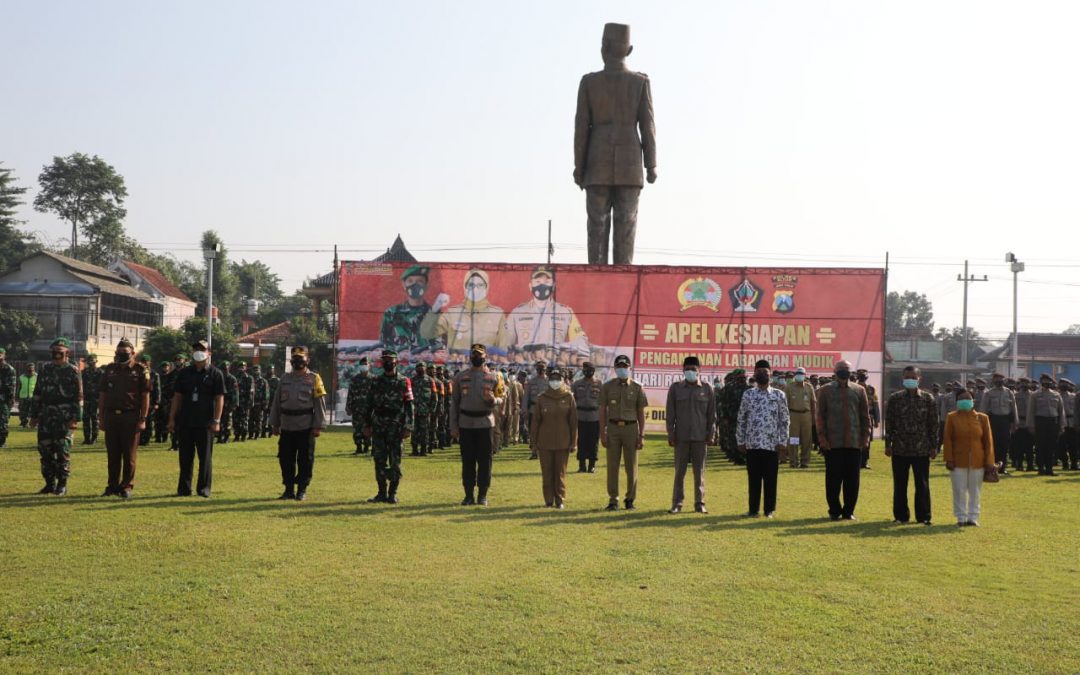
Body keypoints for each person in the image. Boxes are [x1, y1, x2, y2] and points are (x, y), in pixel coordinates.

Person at [574, 22, 657, 265]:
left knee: (597, 225)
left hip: (596, 162)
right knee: (626, 224)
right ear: (629, 50)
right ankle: (623, 278)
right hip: (630, 165)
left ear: (603, 47)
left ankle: (597, 277)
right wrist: (651, 165)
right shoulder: (640, 83)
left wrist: (579, 167)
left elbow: (581, 129)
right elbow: (647, 126)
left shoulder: (589, 83)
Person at [269, 346, 327, 501]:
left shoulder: (314, 378)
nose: (298, 361)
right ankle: (288, 489)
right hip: (287, 426)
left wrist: (318, 425)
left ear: (307, 360)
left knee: (305, 460)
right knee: (285, 459)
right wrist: (275, 423)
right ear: (291, 361)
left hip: (305, 426)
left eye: (301, 358)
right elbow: (276, 403)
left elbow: (319, 404)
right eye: (295, 358)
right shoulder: (284, 378)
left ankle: (302, 489)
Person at [167, 340, 225, 497]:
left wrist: (217, 420)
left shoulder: (215, 373)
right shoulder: (184, 373)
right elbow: (177, 397)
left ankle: (204, 488)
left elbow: (219, 398)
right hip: (186, 420)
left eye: (202, 349)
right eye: (196, 349)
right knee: (185, 457)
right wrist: (172, 418)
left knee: (205, 458)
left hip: (205, 422)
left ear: (209, 353)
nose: (199, 351)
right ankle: (184, 488)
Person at [815, 360, 871, 521]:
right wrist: (822, 439)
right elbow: (820, 417)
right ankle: (834, 510)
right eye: (840, 369)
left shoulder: (859, 390)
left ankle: (848, 511)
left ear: (850, 372)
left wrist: (865, 438)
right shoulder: (825, 391)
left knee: (852, 481)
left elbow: (865, 417)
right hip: (833, 443)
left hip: (854, 442)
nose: (843, 372)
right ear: (835, 371)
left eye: (846, 369)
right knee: (833, 480)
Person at [884, 367, 939, 525]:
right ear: (902, 378)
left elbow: (933, 424)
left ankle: (924, 517)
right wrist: (888, 444)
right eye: (907, 376)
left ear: (919, 378)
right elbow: (890, 423)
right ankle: (901, 516)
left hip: (921, 449)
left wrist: (934, 446)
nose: (910, 379)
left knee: (922, 484)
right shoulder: (895, 398)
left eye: (913, 377)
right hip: (900, 448)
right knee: (900, 484)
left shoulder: (928, 399)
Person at [450, 344, 504, 505]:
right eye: (474, 355)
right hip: (466, 424)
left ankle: (482, 495)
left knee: (485, 461)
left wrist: (494, 401)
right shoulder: (461, 377)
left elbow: (502, 398)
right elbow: (454, 403)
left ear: (485, 357)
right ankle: (468, 495)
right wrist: (453, 426)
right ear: (470, 357)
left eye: (479, 355)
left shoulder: (494, 377)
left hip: (485, 423)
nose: (476, 358)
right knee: (467, 461)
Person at [97, 339, 151, 498]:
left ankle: (126, 486)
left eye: (125, 353)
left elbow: (145, 396)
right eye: (119, 353)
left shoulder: (141, 370)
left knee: (129, 455)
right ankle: (112, 486)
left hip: (131, 416)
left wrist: (143, 418)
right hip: (112, 416)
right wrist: (101, 417)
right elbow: (103, 395)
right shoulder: (109, 369)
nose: (121, 355)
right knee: (112, 454)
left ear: (133, 353)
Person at [29, 338, 83, 495]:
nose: (56, 354)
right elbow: (37, 393)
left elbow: (78, 397)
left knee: (62, 451)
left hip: (64, 418)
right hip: (46, 416)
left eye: (59, 351)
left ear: (67, 352)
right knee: (45, 450)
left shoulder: (73, 371)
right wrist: (34, 415)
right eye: (54, 351)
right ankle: (49, 483)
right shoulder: (45, 369)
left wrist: (74, 419)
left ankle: (62, 484)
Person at [505, 266, 590, 365]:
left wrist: (561, 351)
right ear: (530, 286)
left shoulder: (565, 312)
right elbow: (505, 345)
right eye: (537, 282)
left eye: (546, 282)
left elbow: (581, 343)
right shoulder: (517, 313)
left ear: (553, 286)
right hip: (525, 370)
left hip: (554, 371)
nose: (542, 285)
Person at [736, 359, 789, 517]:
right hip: (752, 444)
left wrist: (782, 441)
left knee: (771, 479)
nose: (762, 374)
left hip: (771, 445)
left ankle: (769, 510)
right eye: (759, 372)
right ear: (754, 374)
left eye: (765, 372)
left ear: (770, 373)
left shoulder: (779, 395)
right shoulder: (748, 394)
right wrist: (740, 440)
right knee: (754, 480)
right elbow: (741, 418)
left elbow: (784, 419)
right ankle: (753, 509)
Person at [360, 349, 414, 503]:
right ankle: (381, 492)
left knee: (395, 461)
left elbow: (410, 405)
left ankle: (392, 493)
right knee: (379, 460)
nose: (387, 363)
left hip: (396, 426)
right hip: (379, 425)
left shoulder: (404, 381)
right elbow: (368, 405)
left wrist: (408, 426)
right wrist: (366, 425)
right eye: (385, 360)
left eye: (390, 360)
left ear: (396, 362)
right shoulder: (376, 381)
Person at [666, 356, 716, 514]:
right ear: (683, 370)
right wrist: (671, 434)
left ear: (699, 370)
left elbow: (712, 415)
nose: (690, 372)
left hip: (700, 437)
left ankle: (699, 503)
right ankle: (677, 504)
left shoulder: (707, 388)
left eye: (693, 369)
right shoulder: (675, 388)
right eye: (687, 369)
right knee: (679, 472)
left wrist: (711, 434)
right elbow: (670, 414)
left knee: (699, 473)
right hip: (681, 437)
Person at [420, 268, 508, 357]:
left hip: (485, 368)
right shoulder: (452, 314)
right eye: (471, 285)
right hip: (458, 367)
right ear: (464, 287)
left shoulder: (497, 315)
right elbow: (426, 333)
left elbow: (503, 350)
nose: (475, 289)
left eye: (480, 285)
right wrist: (435, 308)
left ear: (487, 287)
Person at [600, 354, 648, 511]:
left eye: (625, 367)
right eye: (619, 367)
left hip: (631, 429)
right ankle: (613, 500)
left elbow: (641, 413)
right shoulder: (607, 387)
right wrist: (602, 432)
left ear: (630, 368)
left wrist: (641, 435)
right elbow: (602, 411)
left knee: (631, 466)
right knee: (612, 466)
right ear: (615, 369)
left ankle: (630, 500)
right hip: (613, 428)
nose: (622, 370)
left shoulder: (637, 387)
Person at [943, 390, 994, 527]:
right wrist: (948, 458)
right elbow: (947, 439)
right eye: (961, 398)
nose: (965, 400)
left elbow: (988, 442)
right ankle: (960, 517)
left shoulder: (982, 418)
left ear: (973, 401)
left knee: (975, 490)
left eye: (968, 398)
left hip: (978, 460)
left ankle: (973, 517)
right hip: (958, 460)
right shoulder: (952, 417)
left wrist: (989, 461)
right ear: (957, 401)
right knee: (959, 489)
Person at [530, 366, 577, 508]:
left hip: (563, 442)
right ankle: (548, 500)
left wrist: (574, 442)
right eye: (552, 379)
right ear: (548, 380)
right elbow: (536, 422)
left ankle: (560, 499)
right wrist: (533, 442)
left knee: (560, 473)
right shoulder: (542, 398)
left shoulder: (569, 397)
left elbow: (573, 422)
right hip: (545, 442)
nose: (555, 381)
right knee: (547, 473)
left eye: (558, 379)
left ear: (563, 380)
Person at [379, 265, 435, 353]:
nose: (415, 285)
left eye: (419, 281)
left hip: (425, 364)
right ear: (404, 285)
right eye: (410, 281)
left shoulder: (435, 315)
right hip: (400, 364)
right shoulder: (392, 313)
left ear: (426, 285)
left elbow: (440, 348)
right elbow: (383, 344)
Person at [978, 372, 1017, 476]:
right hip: (993, 421)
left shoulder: (1009, 393)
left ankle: (1002, 467)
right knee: (993, 444)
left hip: (1005, 421)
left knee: (1004, 445)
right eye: (997, 379)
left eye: (1001, 379)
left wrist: (1015, 423)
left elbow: (1013, 408)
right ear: (993, 380)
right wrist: (981, 424)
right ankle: (992, 467)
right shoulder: (989, 393)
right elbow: (983, 409)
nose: (999, 381)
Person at [1027, 374, 1065, 476]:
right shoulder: (1035, 395)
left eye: (1048, 381)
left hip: (1053, 422)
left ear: (1051, 382)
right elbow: (1031, 411)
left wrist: (1062, 425)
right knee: (1040, 446)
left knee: (1051, 446)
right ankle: (1040, 468)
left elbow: (1061, 412)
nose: (1046, 383)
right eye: (1044, 381)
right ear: (1041, 382)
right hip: (1040, 422)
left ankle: (1049, 468)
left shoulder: (1056, 395)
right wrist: (1031, 425)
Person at [571, 361, 602, 473]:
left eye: (590, 369)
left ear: (593, 371)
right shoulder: (576, 384)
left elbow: (603, 403)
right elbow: (571, 400)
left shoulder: (599, 384)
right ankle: (582, 465)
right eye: (585, 369)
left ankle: (592, 465)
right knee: (581, 441)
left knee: (593, 441)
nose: (587, 371)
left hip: (595, 416)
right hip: (581, 416)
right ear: (583, 371)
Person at [783, 366, 817, 469]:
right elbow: (785, 404)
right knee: (793, 439)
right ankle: (793, 462)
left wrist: (814, 418)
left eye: (801, 374)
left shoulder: (809, 387)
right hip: (793, 415)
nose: (799, 376)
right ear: (795, 375)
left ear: (805, 375)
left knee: (807, 440)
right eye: (798, 374)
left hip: (806, 415)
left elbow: (813, 403)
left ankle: (805, 462)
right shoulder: (789, 387)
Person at [719, 369, 750, 465]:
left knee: (747, 437)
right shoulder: (729, 389)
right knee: (734, 438)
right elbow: (724, 403)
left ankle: (747, 457)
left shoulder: (750, 389)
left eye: (744, 376)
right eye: (740, 376)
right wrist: (724, 417)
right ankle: (736, 458)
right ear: (736, 377)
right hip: (733, 418)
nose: (743, 378)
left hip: (747, 419)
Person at [346, 357, 372, 454]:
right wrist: (348, 406)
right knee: (357, 428)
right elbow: (350, 394)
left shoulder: (373, 379)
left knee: (368, 428)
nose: (364, 366)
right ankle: (358, 447)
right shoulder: (355, 379)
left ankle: (366, 446)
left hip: (369, 410)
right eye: (362, 365)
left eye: (366, 364)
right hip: (357, 409)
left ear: (369, 366)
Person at [523, 361, 548, 459]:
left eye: (543, 368)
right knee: (533, 431)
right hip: (533, 409)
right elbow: (526, 397)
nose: (541, 370)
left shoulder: (549, 381)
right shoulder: (531, 381)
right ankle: (534, 451)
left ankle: (544, 451)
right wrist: (524, 409)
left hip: (546, 410)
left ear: (546, 369)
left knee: (545, 431)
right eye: (539, 368)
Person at [409, 362, 435, 457]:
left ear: (425, 368)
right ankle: (415, 450)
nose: (420, 369)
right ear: (416, 369)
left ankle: (423, 450)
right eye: (418, 367)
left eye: (422, 367)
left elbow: (434, 396)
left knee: (424, 431)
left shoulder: (430, 380)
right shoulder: (412, 380)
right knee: (414, 431)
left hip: (425, 411)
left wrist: (432, 409)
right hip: (414, 410)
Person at [137, 354, 161, 446]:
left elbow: (157, 389)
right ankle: (139, 439)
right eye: (143, 361)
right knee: (139, 419)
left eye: (146, 361)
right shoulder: (138, 373)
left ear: (149, 362)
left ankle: (146, 439)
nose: (144, 363)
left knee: (148, 420)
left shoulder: (154, 374)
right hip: (139, 401)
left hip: (150, 401)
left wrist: (156, 402)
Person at [1011, 377, 1033, 471]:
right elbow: (1012, 410)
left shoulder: (1033, 395)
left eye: (1027, 383)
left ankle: (1030, 465)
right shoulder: (1015, 396)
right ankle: (1019, 465)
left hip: (1030, 424)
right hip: (1019, 423)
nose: (1025, 385)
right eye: (1023, 383)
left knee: (1030, 446)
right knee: (1018, 446)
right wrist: (1013, 424)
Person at [80, 354, 102, 444]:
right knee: (85, 419)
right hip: (86, 399)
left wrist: (99, 399)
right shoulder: (84, 372)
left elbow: (101, 387)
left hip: (95, 399)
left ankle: (94, 438)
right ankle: (86, 438)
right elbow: (82, 385)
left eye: (93, 361)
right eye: (90, 361)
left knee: (94, 419)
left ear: (96, 362)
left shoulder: (99, 372)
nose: (91, 363)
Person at [1057, 379, 1077, 471]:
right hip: (1061, 423)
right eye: (1062, 384)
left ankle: (1074, 464)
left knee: (1073, 445)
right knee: (1061, 446)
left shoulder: (1074, 396)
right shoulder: (1056, 396)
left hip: (1072, 423)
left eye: (1065, 384)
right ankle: (1065, 463)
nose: (1064, 386)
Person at [233, 362, 254, 442]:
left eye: (243, 366)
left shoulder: (249, 378)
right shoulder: (235, 377)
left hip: (245, 403)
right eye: (240, 366)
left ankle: (243, 436)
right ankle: (236, 436)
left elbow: (251, 392)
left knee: (244, 420)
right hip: (236, 402)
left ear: (246, 367)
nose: (241, 368)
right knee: (235, 420)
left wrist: (249, 404)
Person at [218, 361, 238, 444]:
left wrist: (234, 404)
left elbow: (235, 393)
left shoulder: (232, 378)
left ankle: (226, 437)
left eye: (226, 369)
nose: (224, 370)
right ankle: (219, 437)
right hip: (219, 403)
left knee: (228, 421)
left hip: (228, 403)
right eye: (223, 369)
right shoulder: (218, 378)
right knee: (219, 420)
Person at [155, 362, 174, 443]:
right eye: (163, 366)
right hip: (159, 400)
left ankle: (165, 437)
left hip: (167, 401)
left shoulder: (171, 377)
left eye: (166, 366)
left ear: (169, 367)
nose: (165, 368)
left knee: (166, 419)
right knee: (157, 419)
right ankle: (158, 437)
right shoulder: (158, 376)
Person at [0, 348, 15, 447]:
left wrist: (10, 400)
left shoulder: (9, 369)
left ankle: (2, 442)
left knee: (2, 421)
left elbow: (11, 386)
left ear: (4, 355)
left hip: (3, 400)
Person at [250, 365, 269, 440]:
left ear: (260, 371)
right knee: (250, 419)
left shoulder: (263, 381)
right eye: (255, 370)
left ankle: (257, 434)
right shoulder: (250, 380)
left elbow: (266, 394)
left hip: (259, 404)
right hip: (251, 403)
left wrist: (265, 404)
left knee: (258, 420)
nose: (256, 372)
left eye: (257, 370)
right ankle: (251, 434)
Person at [17, 362, 35, 431]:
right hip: (23, 396)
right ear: (26, 368)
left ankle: (33, 424)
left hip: (32, 396)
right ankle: (23, 423)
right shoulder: (21, 377)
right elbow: (19, 386)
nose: (30, 369)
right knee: (22, 411)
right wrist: (17, 395)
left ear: (34, 368)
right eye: (29, 367)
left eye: (31, 367)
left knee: (33, 411)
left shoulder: (37, 376)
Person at [263, 365, 279, 437]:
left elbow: (278, 391)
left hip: (273, 401)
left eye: (272, 369)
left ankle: (270, 432)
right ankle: (263, 432)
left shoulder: (277, 380)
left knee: (271, 417)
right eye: (269, 369)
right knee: (263, 417)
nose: (270, 370)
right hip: (264, 401)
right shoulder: (263, 379)